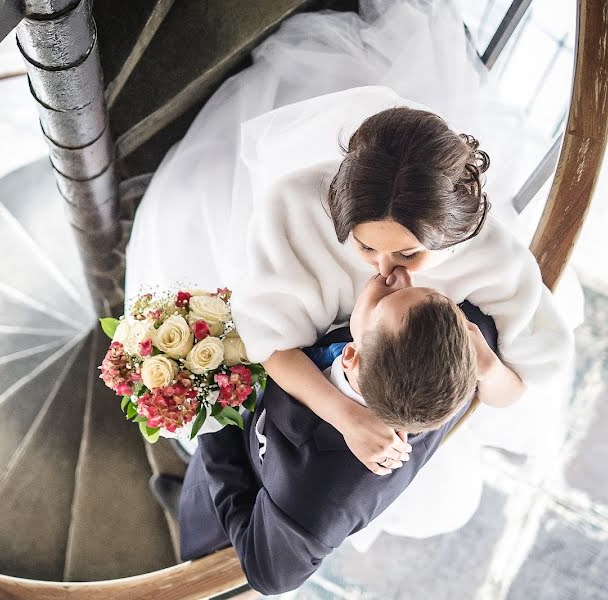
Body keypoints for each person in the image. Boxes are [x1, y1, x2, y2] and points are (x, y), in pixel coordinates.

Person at [127, 0, 574, 538]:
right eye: (365, 248)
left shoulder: (494, 258)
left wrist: (485, 367)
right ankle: (201, 510)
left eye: (409, 255)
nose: (386, 275)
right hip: (313, 403)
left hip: (388, 410)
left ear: (455, 234)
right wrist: (346, 415)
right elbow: (271, 343)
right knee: (232, 470)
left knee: (308, 513)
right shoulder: (295, 204)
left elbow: (518, 389)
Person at [177, 273, 500, 595]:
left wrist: (211, 423)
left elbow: (271, 577)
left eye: (384, 302)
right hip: (259, 417)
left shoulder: (315, 501)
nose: (401, 280)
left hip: (252, 480)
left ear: (349, 355)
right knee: (193, 483)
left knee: (204, 513)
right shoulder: (447, 342)